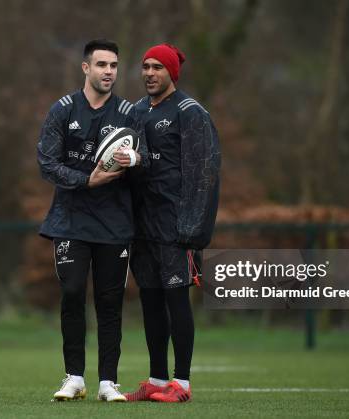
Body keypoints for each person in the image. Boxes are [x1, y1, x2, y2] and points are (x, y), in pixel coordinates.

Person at [37, 39, 147, 402]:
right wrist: (87, 180)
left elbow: (144, 157)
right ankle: (74, 377)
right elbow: (47, 164)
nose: (109, 71)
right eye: (102, 64)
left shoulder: (130, 113)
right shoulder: (63, 110)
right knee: (71, 294)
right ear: (86, 68)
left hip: (114, 223)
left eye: (114, 65)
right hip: (70, 220)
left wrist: (134, 160)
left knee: (110, 301)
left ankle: (108, 382)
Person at [125, 43, 221, 402]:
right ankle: (156, 379)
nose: (150, 73)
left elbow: (204, 172)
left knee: (176, 301)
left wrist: (194, 229)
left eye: (157, 68)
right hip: (142, 227)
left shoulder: (190, 112)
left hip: (176, 227)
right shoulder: (135, 111)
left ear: (171, 73)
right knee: (150, 301)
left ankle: (181, 384)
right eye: (146, 67)